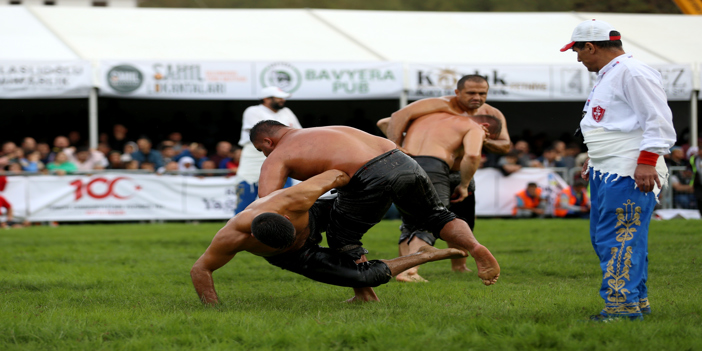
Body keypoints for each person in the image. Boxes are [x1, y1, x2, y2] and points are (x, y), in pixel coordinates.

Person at [251, 120, 500, 301]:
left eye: (262, 150)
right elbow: (389, 144)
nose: (265, 155)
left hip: (367, 175)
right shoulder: (333, 129)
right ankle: (475, 247)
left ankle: (365, 295)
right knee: (437, 215)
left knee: (343, 237)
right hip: (403, 161)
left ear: (267, 141)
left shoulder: (278, 155)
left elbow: (268, 203)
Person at [190, 170, 467, 304]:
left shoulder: (296, 198)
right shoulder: (231, 237)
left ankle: (363, 295)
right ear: (252, 238)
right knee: (364, 275)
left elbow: (337, 173)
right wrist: (213, 308)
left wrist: (360, 189)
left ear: (287, 217)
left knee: (349, 225)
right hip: (293, 256)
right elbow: (200, 268)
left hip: (313, 215)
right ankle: (424, 255)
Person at [562, 19, 676, 321]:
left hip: (629, 172)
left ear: (591, 46)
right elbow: (613, 124)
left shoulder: (633, 72)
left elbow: (658, 121)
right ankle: (636, 300)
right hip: (610, 168)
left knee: (619, 238)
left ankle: (621, 307)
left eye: (577, 50)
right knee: (610, 238)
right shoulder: (612, 73)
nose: (577, 57)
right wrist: (595, 157)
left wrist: (647, 162)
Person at [378, 74, 512, 273]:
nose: (477, 97)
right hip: (435, 168)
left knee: (463, 220)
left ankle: (459, 266)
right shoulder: (439, 106)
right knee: (424, 221)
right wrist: (396, 145)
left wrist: (482, 139)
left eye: (482, 93)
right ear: (457, 92)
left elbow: (505, 145)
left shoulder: (490, 114)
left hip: (459, 171)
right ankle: (408, 270)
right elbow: (394, 118)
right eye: (471, 93)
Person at [235, 86, 302, 214]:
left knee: (284, 197)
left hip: (281, 157)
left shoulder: (287, 111)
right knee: (246, 197)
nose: (282, 100)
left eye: (283, 98)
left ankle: (281, 228)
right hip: (254, 156)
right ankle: (237, 230)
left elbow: (299, 133)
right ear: (266, 99)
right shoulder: (253, 110)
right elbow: (262, 135)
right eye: (279, 97)